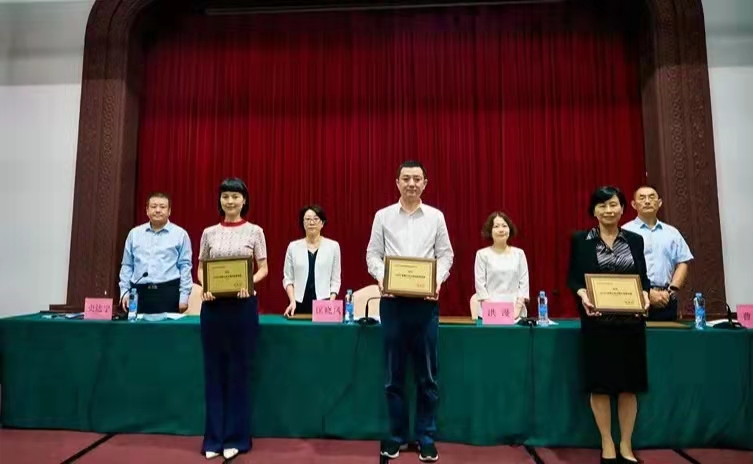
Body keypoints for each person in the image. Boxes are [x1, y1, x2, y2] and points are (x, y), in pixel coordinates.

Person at [366, 160, 454, 462]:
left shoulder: (436, 217)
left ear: (425, 183)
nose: (412, 184)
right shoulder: (383, 216)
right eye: (406, 178)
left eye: (417, 179)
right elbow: (373, 254)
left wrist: (436, 281)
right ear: (397, 182)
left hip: (425, 305)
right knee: (394, 377)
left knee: (427, 376)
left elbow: (446, 255)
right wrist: (383, 279)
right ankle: (396, 437)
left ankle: (426, 437)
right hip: (392, 304)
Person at [567, 186, 650, 464]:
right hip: (597, 324)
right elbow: (573, 278)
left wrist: (645, 295)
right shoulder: (581, 240)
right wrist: (582, 294)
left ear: (623, 208)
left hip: (631, 325)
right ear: (593, 211)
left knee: (629, 387)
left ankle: (626, 444)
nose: (608, 210)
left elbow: (643, 279)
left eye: (613, 204)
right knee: (600, 386)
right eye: (602, 205)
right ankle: (607, 442)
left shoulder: (635, 240)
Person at [197, 178, 269, 460]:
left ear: (244, 200)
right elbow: (201, 268)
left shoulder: (255, 231)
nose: (230, 201)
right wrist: (205, 286)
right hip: (213, 309)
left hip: (243, 307)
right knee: (213, 372)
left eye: (235, 197)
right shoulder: (208, 233)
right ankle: (213, 439)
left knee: (239, 372)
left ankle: (237, 438)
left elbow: (263, 268)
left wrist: (249, 283)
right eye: (225, 196)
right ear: (220, 200)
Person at [622, 185, 694, 321]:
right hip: (633, 298)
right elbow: (620, 268)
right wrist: (646, 292)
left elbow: (683, 262)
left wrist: (672, 290)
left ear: (659, 203)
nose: (647, 201)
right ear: (633, 204)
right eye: (642, 198)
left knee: (666, 335)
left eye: (651, 197)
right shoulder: (624, 232)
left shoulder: (672, 233)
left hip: (665, 299)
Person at [118, 192, 192, 314]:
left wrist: (184, 297)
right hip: (139, 292)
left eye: (162, 207)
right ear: (147, 210)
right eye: (153, 206)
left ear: (169, 211)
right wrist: (124, 292)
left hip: (168, 292)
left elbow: (185, 267)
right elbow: (127, 265)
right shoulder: (134, 234)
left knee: (167, 326)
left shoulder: (180, 235)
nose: (157, 210)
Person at [282, 205, 341, 316]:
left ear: (322, 223)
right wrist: (292, 301)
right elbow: (288, 278)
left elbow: (335, 279)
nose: (311, 222)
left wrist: (331, 302)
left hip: (324, 303)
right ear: (303, 223)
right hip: (298, 303)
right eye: (307, 219)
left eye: (315, 219)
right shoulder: (293, 247)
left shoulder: (333, 246)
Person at [474, 211, 530, 319]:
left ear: (509, 229)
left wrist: (516, 310)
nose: (501, 230)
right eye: (496, 226)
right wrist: (496, 312)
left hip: (516, 312)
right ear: (490, 231)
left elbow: (524, 284)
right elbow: (480, 285)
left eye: (504, 226)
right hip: (490, 313)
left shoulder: (519, 254)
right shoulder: (482, 254)